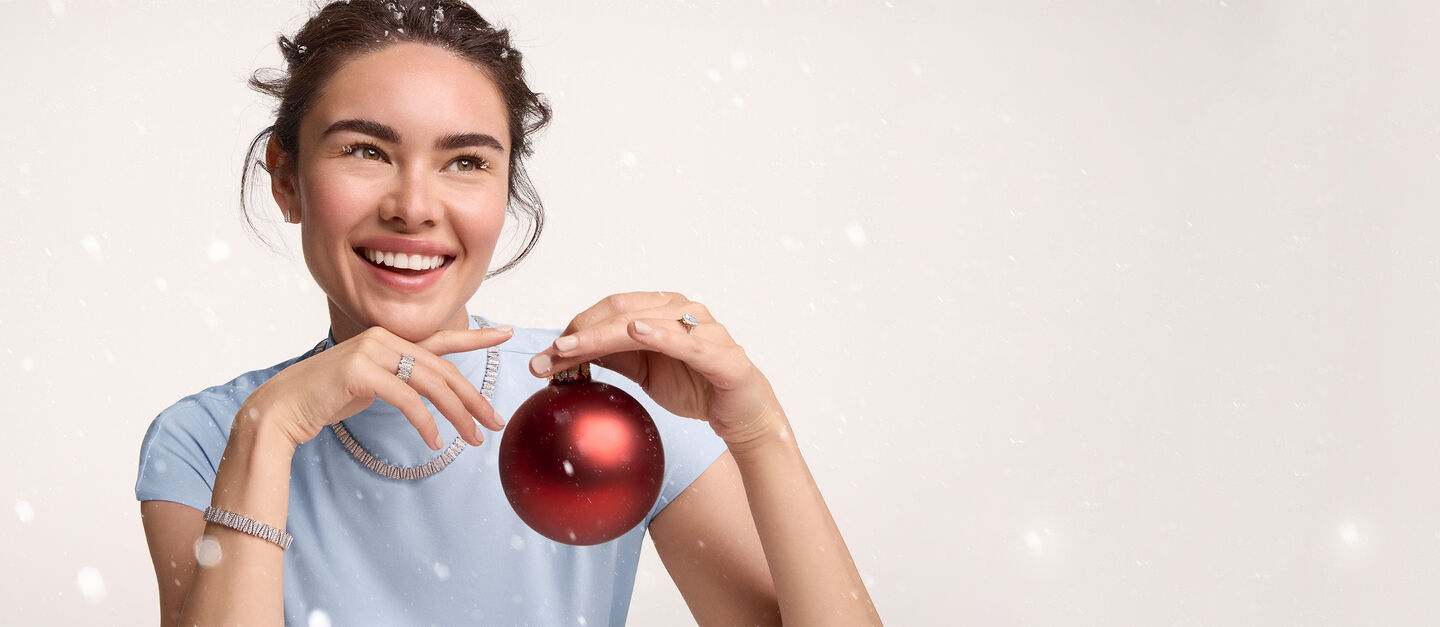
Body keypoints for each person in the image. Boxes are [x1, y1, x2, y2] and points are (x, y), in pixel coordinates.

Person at [135, 1, 882, 625]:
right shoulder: (209, 437)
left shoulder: (605, 407)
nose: (415, 207)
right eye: (366, 150)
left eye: (465, 161)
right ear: (287, 178)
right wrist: (269, 432)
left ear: (504, 192)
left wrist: (758, 429)